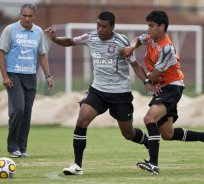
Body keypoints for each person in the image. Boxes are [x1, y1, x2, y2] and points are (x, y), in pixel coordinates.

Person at [45, 11, 160, 175]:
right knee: (81, 120)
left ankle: (147, 142)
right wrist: (55, 39)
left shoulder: (121, 42)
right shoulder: (90, 38)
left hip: (120, 94)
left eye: (104, 26)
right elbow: (70, 41)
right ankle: (77, 165)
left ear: (112, 28)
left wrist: (147, 82)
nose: (100, 29)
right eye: (98, 25)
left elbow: (135, 65)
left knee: (128, 133)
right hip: (97, 91)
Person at [122, 10, 204, 175]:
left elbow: (153, 76)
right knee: (167, 133)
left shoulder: (167, 49)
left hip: (171, 87)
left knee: (149, 118)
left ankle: (153, 164)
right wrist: (132, 48)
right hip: (164, 86)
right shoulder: (151, 37)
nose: (148, 29)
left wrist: (135, 65)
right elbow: (138, 40)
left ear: (162, 26)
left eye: (151, 25)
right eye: (148, 25)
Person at [0, 3, 54, 158]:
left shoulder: (38, 32)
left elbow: (42, 55)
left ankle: (22, 148)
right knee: (19, 109)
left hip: (30, 77)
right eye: (24, 15)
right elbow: (1, 53)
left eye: (30, 16)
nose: (27, 19)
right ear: (20, 15)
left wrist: (48, 75)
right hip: (13, 75)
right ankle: (12, 146)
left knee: (27, 113)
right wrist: (4, 76)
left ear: (34, 16)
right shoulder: (10, 30)